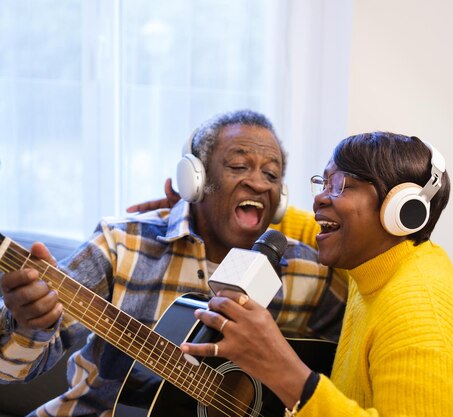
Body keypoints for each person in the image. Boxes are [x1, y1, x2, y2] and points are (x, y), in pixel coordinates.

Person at [0, 110, 347, 416]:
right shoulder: (122, 245)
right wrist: (27, 322)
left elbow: (344, 370)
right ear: (194, 180)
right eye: (239, 166)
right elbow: (11, 370)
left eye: (271, 176)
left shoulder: (307, 273)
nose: (258, 182)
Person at [179, 131, 453, 416]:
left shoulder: (418, 313)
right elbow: (303, 225)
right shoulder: (374, 270)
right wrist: (200, 201)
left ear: (400, 211)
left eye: (341, 186)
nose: (321, 199)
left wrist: (280, 368)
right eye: (323, 183)